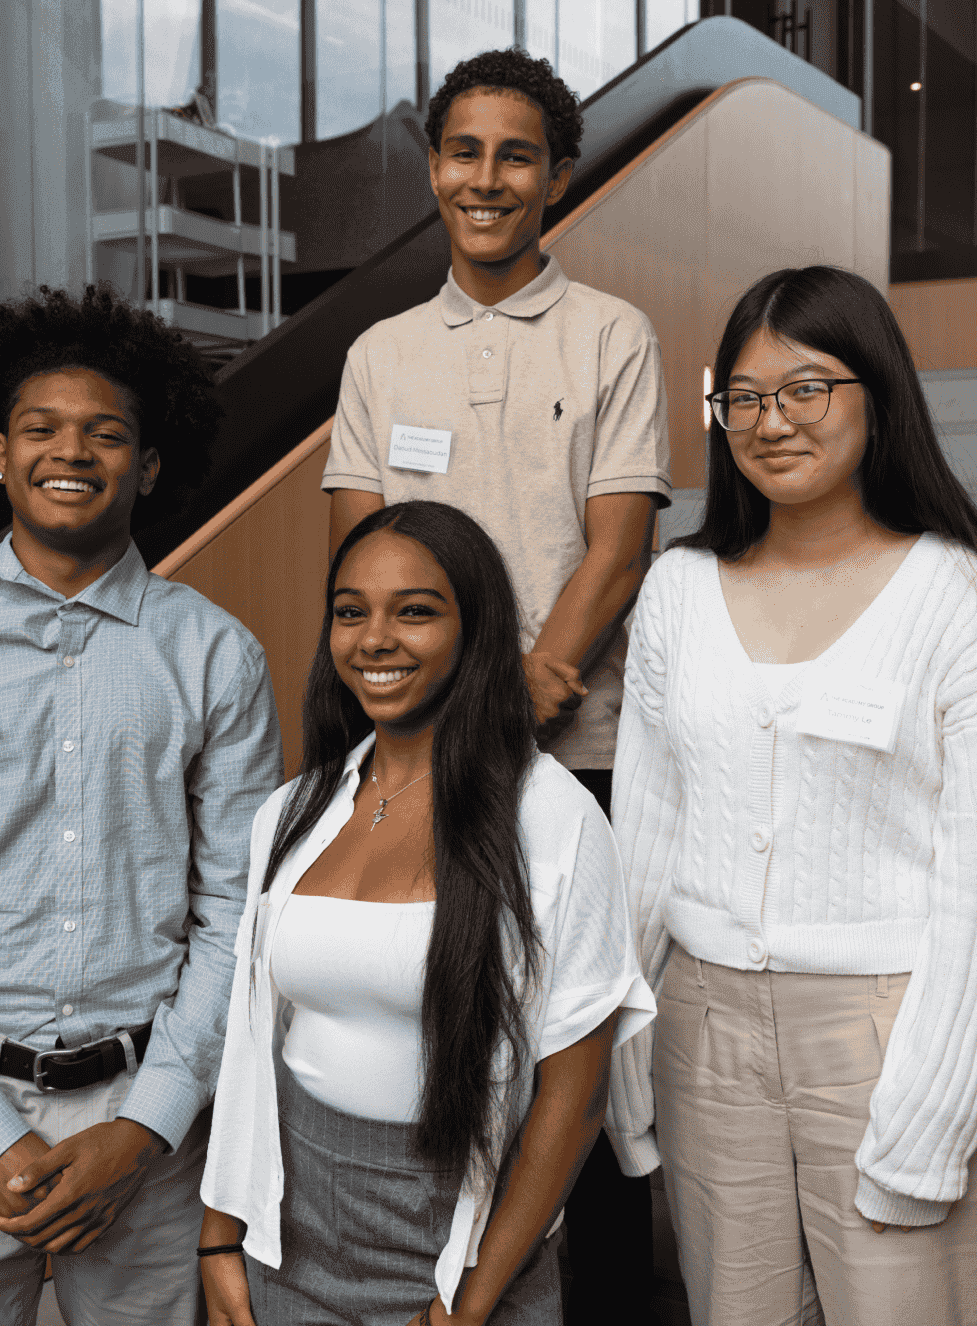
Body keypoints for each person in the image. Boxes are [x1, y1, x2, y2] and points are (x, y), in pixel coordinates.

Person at [0, 284, 283, 1325]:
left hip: (148, 1124)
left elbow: (239, 916)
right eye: (40, 428)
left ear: (148, 465)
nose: (70, 450)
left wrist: (149, 1125)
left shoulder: (216, 656)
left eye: (105, 433)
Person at [610, 265, 977, 1326]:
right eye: (744, 397)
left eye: (806, 388)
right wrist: (624, 1043)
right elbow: (644, 838)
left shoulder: (964, 601)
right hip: (704, 1028)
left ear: (876, 395)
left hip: (883, 1033)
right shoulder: (676, 590)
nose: (772, 422)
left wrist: (931, 1107)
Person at [322, 48, 670, 1317]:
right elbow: (360, 553)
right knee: (443, 1045)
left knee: (584, 1056)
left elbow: (615, 548)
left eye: (515, 155)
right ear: (432, 168)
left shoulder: (612, 334)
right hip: (420, 759)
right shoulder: (379, 354)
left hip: (575, 757)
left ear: (556, 177)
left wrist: (516, 701)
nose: (486, 178)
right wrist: (440, 721)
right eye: (463, 151)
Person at [196, 501, 656, 1326]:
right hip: (289, 1236)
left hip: (460, 1245)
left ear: (476, 631)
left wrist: (466, 1305)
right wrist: (219, 1234)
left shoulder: (552, 818)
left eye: (415, 611)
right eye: (351, 612)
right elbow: (250, 1039)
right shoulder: (293, 811)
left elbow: (576, 1096)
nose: (375, 639)